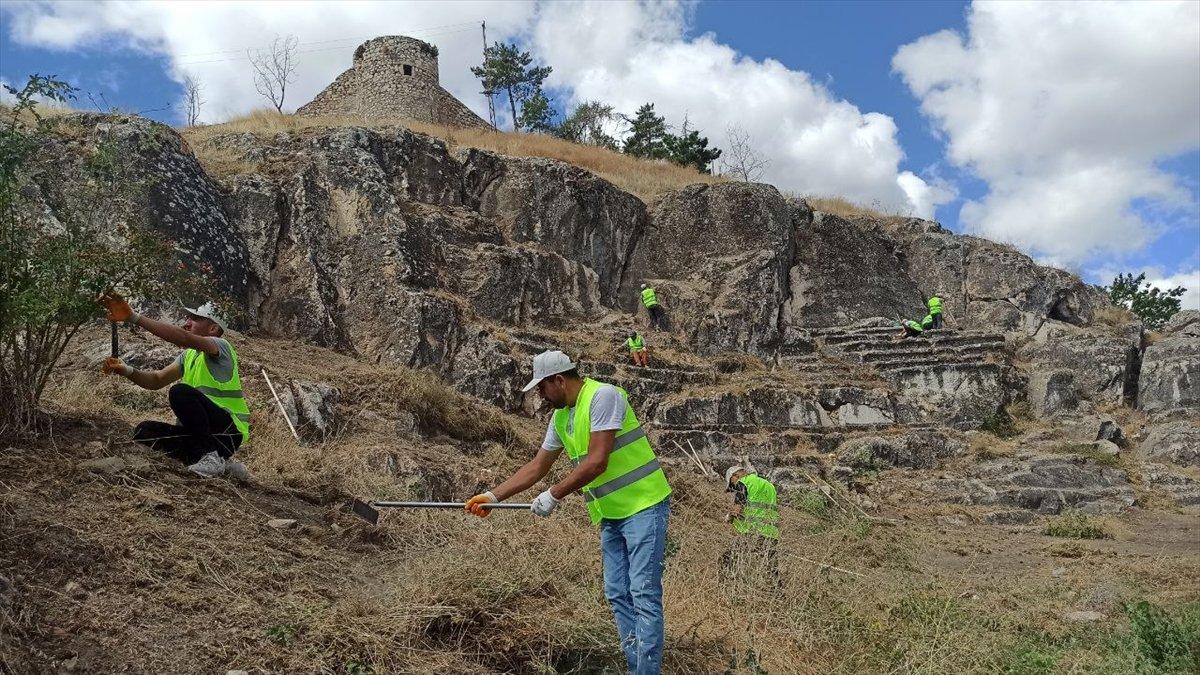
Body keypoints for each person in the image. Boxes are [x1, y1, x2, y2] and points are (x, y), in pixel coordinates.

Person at [465, 350, 671, 675]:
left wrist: (554, 494)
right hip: (611, 515)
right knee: (618, 593)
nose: (542, 397)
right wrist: (493, 496)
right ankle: (638, 668)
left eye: (543, 388)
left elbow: (597, 460)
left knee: (642, 592)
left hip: (644, 506)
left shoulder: (603, 396)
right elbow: (537, 466)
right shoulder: (561, 418)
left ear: (559, 380)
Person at [98, 294, 250, 478]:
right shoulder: (189, 356)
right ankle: (223, 465)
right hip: (201, 436)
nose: (187, 323)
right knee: (144, 431)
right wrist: (127, 370)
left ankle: (211, 457)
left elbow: (183, 338)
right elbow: (156, 380)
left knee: (180, 392)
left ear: (213, 328)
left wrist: (134, 317)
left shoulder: (222, 347)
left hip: (227, 433)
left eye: (195, 318)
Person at [720, 466, 780, 584]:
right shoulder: (768, 485)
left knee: (726, 559)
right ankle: (778, 594)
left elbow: (737, 510)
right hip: (771, 533)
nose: (733, 488)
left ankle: (729, 589)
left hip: (752, 533)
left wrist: (729, 517)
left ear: (734, 476)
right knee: (771, 568)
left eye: (732, 485)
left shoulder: (743, 483)